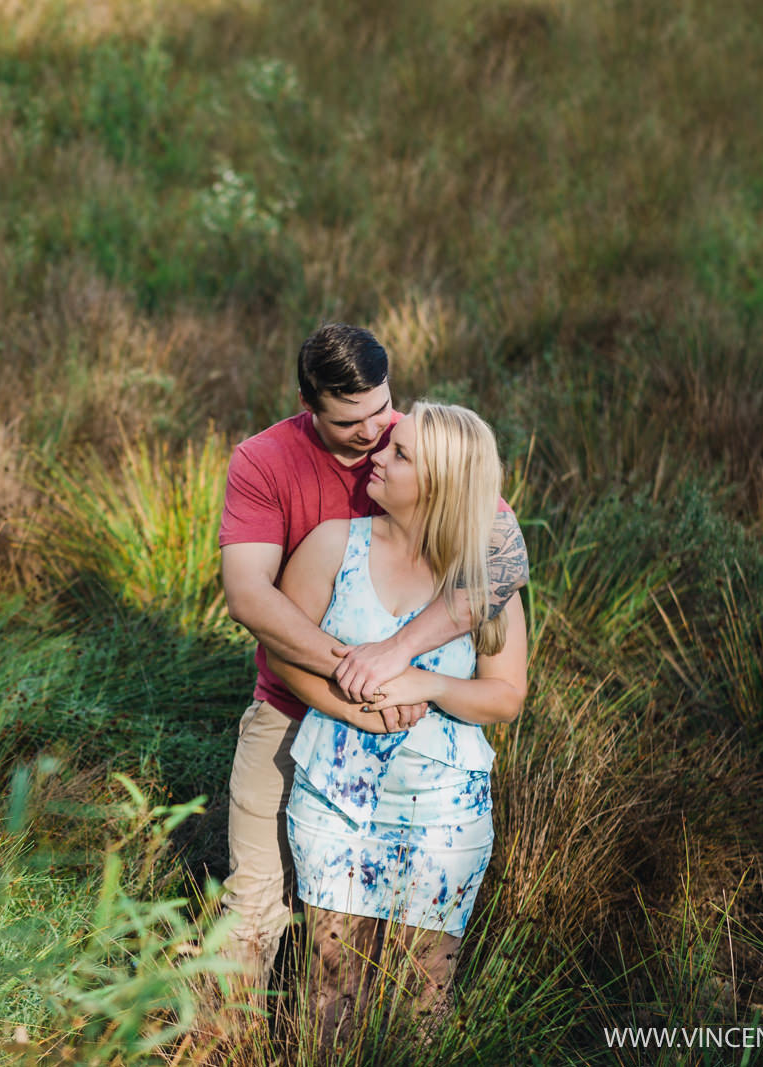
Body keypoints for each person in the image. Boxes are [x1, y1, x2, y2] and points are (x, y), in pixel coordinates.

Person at [215, 324, 529, 1020]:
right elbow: (248, 596)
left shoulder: (422, 444)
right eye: (350, 422)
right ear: (308, 404)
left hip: (422, 757)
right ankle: (224, 1042)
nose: (373, 435)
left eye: (383, 411)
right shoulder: (265, 461)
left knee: (415, 970)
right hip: (292, 708)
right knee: (255, 909)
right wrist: (356, 686)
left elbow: (507, 562)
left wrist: (399, 656)